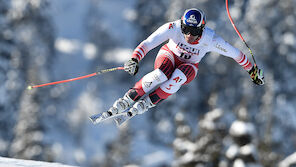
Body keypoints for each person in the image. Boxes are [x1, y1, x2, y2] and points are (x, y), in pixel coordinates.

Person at [104, 8, 264, 119]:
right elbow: (148, 43)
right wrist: (135, 59)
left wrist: (252, 71)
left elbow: (237, 54)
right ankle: (128, 99)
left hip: (189, 66)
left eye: (194, 32)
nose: (188, 35)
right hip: (169, 56)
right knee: (161, 74)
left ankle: (147, 103)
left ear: (202, 29)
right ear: (181, 24)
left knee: (178, 77)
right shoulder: (173, 28)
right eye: (186, 29)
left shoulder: (211, 40)